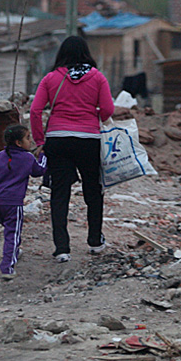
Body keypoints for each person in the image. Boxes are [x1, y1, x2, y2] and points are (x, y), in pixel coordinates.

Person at [30, 35, 114, 263]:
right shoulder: (98, 78)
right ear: (86, 53)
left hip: (57, 139)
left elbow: (35, 111)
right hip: (88, 140)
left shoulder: (50, 79)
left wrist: (40, 141)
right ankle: (95, 241)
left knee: (60, 193)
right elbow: (108, 109)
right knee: (93, 190)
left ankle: (62, 248)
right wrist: (91, 117)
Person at [0, 124, 47, 279]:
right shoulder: (27, 158)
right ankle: (7, 267)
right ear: (19, 143)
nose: (30, 141)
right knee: (13, 233)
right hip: (14, 202)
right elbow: (39, 171)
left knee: (9, 228)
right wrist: (44, 156)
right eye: (27, 138)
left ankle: (14, 252)